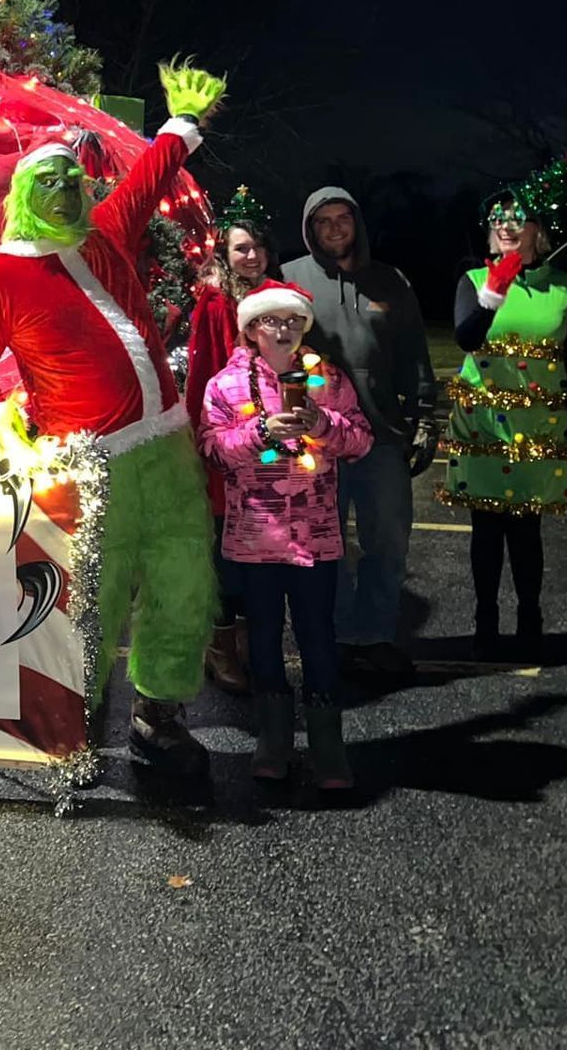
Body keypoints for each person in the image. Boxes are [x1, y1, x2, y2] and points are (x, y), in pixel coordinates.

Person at [0, 62, 228, 781]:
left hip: (166, 450)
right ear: (23, 196)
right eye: (49, 183)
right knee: (90, 604)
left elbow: (148, 177)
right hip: (90, 466)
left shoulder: (106, 231)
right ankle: (70, 728)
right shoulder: (1, 279)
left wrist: (186, 124)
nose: (66, 190)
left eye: (72, 180)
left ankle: (157, 718)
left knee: (182, 581)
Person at [438, 158, 567, 659]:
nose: (507, 229)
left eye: (517, 221)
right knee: (487, 526)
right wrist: (496, 289)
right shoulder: (473, 280)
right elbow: (466, 338)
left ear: (539, 230)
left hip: (539, 421)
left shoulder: (565, 287)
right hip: (484, 421)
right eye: (498, 222)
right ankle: (486, 620)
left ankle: (530, 616)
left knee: (527, 527)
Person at [200, 281, 372, 787]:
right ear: (252, 329)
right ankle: (273, 738)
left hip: (315, 537)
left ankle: (327, 744)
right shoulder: (226, 386)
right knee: (266, 640)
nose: (284, 330)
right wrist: (259, 434)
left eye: (293, 322)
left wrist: (321, 423)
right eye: (272, 321)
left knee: (319, 638)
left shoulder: (328, 379)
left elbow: (361, 441)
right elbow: (211, 450)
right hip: (255, 539)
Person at [282, 188, 439, 678]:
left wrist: (425, 416)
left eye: (342, 219)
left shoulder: (389, 281)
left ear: (357, 223)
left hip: (382, 436)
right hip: (317, 442)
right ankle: (337, 634)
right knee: (324, 547)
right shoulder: (289, 280)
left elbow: (414, 352)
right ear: (309, 228)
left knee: (387, 541)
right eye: (322, 222)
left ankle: (374, 634)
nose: (333, 230)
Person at [184, 184, 275, 693]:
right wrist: (207, 443)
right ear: (225, 252)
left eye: (258, 246)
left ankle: (246, 641)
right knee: (225, 553)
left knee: (259, 547)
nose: (251, 255)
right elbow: (201, 381)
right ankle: (220, 646)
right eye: (241, 247)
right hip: (228, 444)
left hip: (270, 447)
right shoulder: (215, 305)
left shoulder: (280, 299)